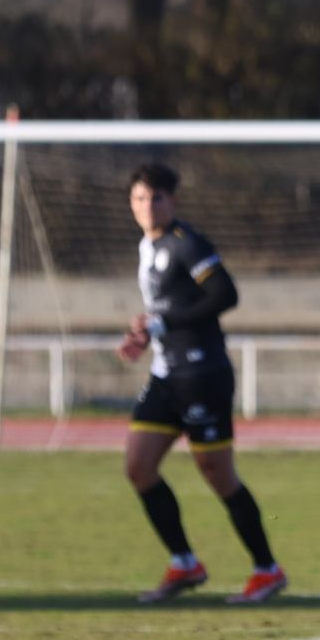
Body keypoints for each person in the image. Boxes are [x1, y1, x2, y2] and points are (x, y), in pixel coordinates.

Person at [116, 162, 287, 605]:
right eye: (139, 198)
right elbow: (167, 310)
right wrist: (146, 333)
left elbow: (224, 294)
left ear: (172, 201)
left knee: (218, 474)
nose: (147, 206)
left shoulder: (186, 243)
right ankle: (184, 563)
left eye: (155, 198)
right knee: (138, 467)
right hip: (166, 375)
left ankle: (266, 570)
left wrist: (165, 322)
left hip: (202, 375)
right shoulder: (147, 246)